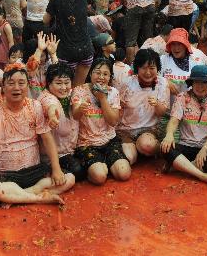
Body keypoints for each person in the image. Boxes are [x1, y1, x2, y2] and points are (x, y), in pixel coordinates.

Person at [0, 66, 75, 204]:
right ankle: (38, 198)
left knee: (69, 178)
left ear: (28, 85)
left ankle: (19, 196)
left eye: (21, 83)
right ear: (3, 86)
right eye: (11, 83)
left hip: (33, 170)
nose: (16, 87)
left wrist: (56, 169)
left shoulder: (35, 106)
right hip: (3, 172)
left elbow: (47, 138)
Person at [159, 64, 207, 188]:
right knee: (165, 148)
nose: (200, 86)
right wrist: (169, 134)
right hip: (185, 144)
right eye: (196, 82)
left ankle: (179, 165)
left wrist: (204, 149)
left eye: (204, 82)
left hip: (206, 146)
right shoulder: (182, 98)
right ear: (191, 83)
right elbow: (173, 121)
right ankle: (203, 176)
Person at [72, 57, 131, 185]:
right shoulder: (79, 90)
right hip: (86, 143)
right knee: (99, 177)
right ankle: (98, 167)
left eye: (105, 74)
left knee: (124, 173)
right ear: (91, 73)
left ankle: (104, 164)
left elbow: (113, 122)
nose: (101, 77)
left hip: (109, 140)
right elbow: (75, 116)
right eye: (97, 72)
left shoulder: (113, 92)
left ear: (110, 77)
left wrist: (103, 99)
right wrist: (80, 108)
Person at [117, 48, 169, 165]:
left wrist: (157, 104)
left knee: (146, 145)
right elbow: (118, 109)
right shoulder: (127, 83)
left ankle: (158, 149)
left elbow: (161, 113)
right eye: (144, 68)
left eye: (152, 68)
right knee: (129, 159)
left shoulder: (162, 83)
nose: (148, 72)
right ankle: (135, 149)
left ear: (157, 69)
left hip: (149, 129)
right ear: (137, 68)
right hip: (127, 131)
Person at [45, 0, 93, 85]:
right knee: (78, 88)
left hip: (67, 52)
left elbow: (45, 20)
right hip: (86, 49)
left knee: (66, 88)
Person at [38, 61, 84, 179]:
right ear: (49, 84)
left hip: (71, 149)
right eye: (58, 83)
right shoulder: (46, 97)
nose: (64, 87)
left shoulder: (70, 93)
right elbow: (51, 106)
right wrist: (53, 116)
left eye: (67, 82)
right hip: (54, 156)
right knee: (78, 171)